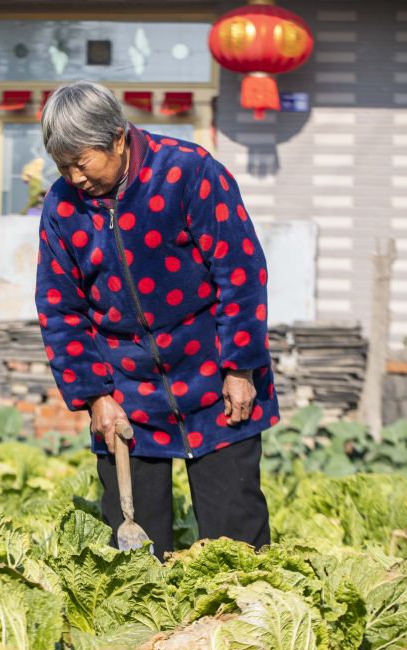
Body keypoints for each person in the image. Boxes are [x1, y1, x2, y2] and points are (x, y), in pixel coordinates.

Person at [35, 81, 278, 559]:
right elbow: (60, 309)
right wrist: (95, 396)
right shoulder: (62, 206)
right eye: (63, 165)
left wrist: (241, 367)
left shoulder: (189, 172)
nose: (74, 177)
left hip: (214, 372)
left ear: (118, 139)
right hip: (126, 388)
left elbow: (240, 271)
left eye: (82, 162)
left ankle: (244, 632)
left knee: (236, 536)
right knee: (136, 553)